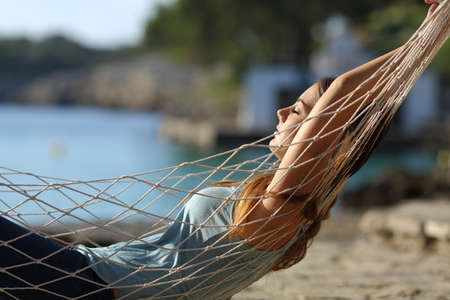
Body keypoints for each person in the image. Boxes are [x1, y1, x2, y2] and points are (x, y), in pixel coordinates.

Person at [0, 1, 443, 299]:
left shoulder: (282, 210)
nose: (284, 108)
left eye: (303, 110)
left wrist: (433, 31)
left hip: (89, 285)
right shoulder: (278, 207)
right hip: (83, 269)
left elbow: (343, 90)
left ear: (327, 139)